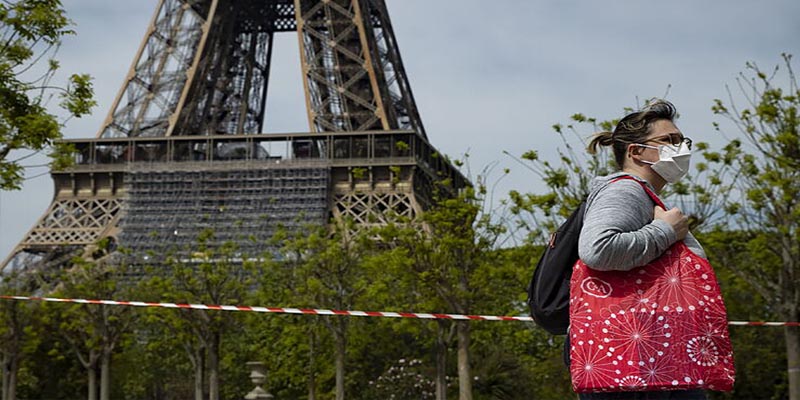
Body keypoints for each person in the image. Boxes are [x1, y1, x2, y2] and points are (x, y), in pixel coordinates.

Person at [573, 99, 706, 400]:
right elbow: (597, 249)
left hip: (649, 349)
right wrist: (666, 231)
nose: (681, 148)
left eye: (683, 141)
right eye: (669, 140)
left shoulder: (640, 193)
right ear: (636, 152)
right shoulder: (626, 190)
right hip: (636, 352)